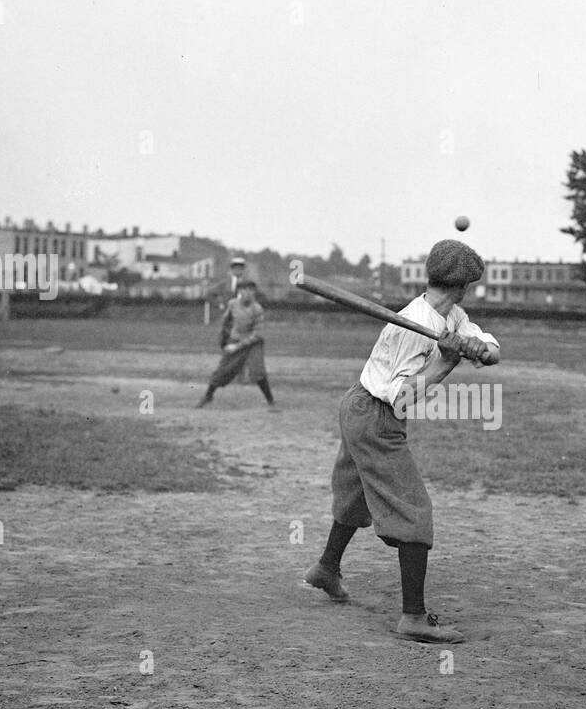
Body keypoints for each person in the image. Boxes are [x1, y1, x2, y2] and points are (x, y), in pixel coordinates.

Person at [303, 239, 500, 643]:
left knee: (357, 493)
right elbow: (403, 397)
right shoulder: (413, 326)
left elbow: (488, 345)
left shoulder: (451, 314)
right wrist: (445, 362)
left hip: (360, 406)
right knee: (413, 508)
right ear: (462, 285)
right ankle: (413, 616)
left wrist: (481, 348)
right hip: (376, 413)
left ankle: (326, 568)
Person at [196, 276, 275, 408]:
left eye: (250, 290)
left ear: (254, 293)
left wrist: (237, 346)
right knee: (222, 370)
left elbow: (258, 334)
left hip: (253, 343)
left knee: (257, 371)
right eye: (244, 290)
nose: (247, 293)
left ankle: (270, 400)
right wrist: (224, 339)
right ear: (239, 291)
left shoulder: (257, 309)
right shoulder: (233, 304)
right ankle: (208, 396)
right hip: (235, 339)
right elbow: (226, 321)